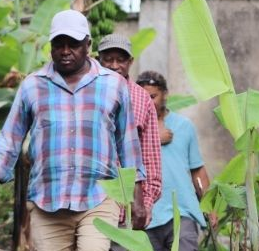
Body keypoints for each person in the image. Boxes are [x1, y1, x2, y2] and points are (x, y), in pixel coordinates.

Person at [0, 10, 146, 251]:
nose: (66, 50)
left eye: (74, 44)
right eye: (59, 44)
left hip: (98, 198)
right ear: (51, 46)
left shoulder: (113, 84)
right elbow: (9, 139)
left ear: (88, 45)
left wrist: (137, 198)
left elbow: (128, 144)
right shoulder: (32, 86)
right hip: (47, 201)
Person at [136, 71, 217, 251]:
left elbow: (197, 172)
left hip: (182, 211)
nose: (148, 102)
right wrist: (155, 138)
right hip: (146, 215)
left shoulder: (184, 126)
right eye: (143, 97)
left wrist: (209, 205)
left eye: (153, 96)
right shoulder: (132, 128)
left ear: (165, 94)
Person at [97, 34, 162, 229]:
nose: (114, 65)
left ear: (130, 61)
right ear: (98, 59)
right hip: (91, 204)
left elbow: (150, 156)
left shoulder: (142, 98)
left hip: (127, 208)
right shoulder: (86, 92)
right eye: (108, 59)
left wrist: (146, 202)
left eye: (121, 59)